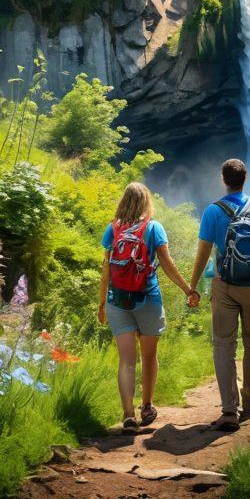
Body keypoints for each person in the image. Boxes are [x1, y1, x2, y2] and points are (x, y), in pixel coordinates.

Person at [189, 158, 250, 431]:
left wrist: (193, 285)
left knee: (224, 345)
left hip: (224, 285)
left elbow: (202, 254)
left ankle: (229, 410)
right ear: (245, 179)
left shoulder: (213, 211)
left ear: (224, 180)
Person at [98, 181, 198, 431]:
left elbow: (106, 270)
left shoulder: (113, 229)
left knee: (126, 361)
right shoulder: (153, 228)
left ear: (124, 201)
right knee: (149, 355)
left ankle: (128, 415)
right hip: (147, 299)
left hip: (117, 301)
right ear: (146, 202)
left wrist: (101, 304)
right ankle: (147, 406)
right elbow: (166, 263)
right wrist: (188, 290)